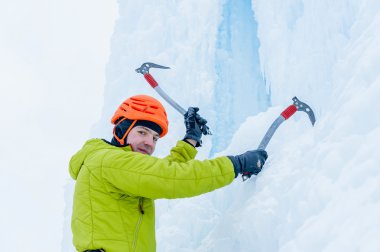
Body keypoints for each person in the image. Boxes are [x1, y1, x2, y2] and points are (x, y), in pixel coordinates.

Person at [69, 94, 268, 252]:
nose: (149, 142)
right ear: (121, 130)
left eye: (155, 138)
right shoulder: (110, 161)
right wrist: (236, 164)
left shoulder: (109, 163)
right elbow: (171, 177)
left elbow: (160, 174)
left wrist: (190, 140)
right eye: (142, 132)